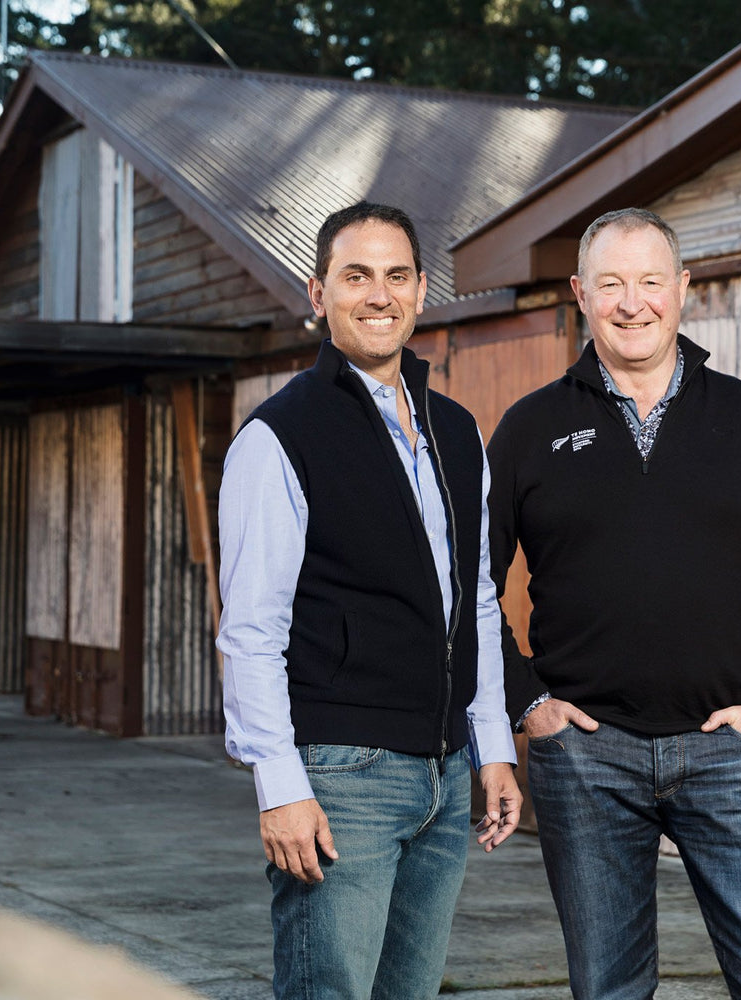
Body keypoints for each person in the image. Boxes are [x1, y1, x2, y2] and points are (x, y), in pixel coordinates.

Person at [487, 208, 741, 1000]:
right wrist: (528, 702)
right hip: (586, 758)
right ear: (581, 294)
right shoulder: (532, 428)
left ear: (683, 289)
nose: (633, 303)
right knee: (609, 989)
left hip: (734, 756)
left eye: (651, 281)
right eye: (612, 284)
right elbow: (469, 586)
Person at [217, 201, 522, 1000]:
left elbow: (477, 601)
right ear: (317, 294)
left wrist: (491, 744)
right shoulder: (278, 436)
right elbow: (250, 629)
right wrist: (278, 784)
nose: (378, 295)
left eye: (395, 276)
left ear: (422, 291)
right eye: (356, 277)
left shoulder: (456, 430)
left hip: (446, 775)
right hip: (341, 776)